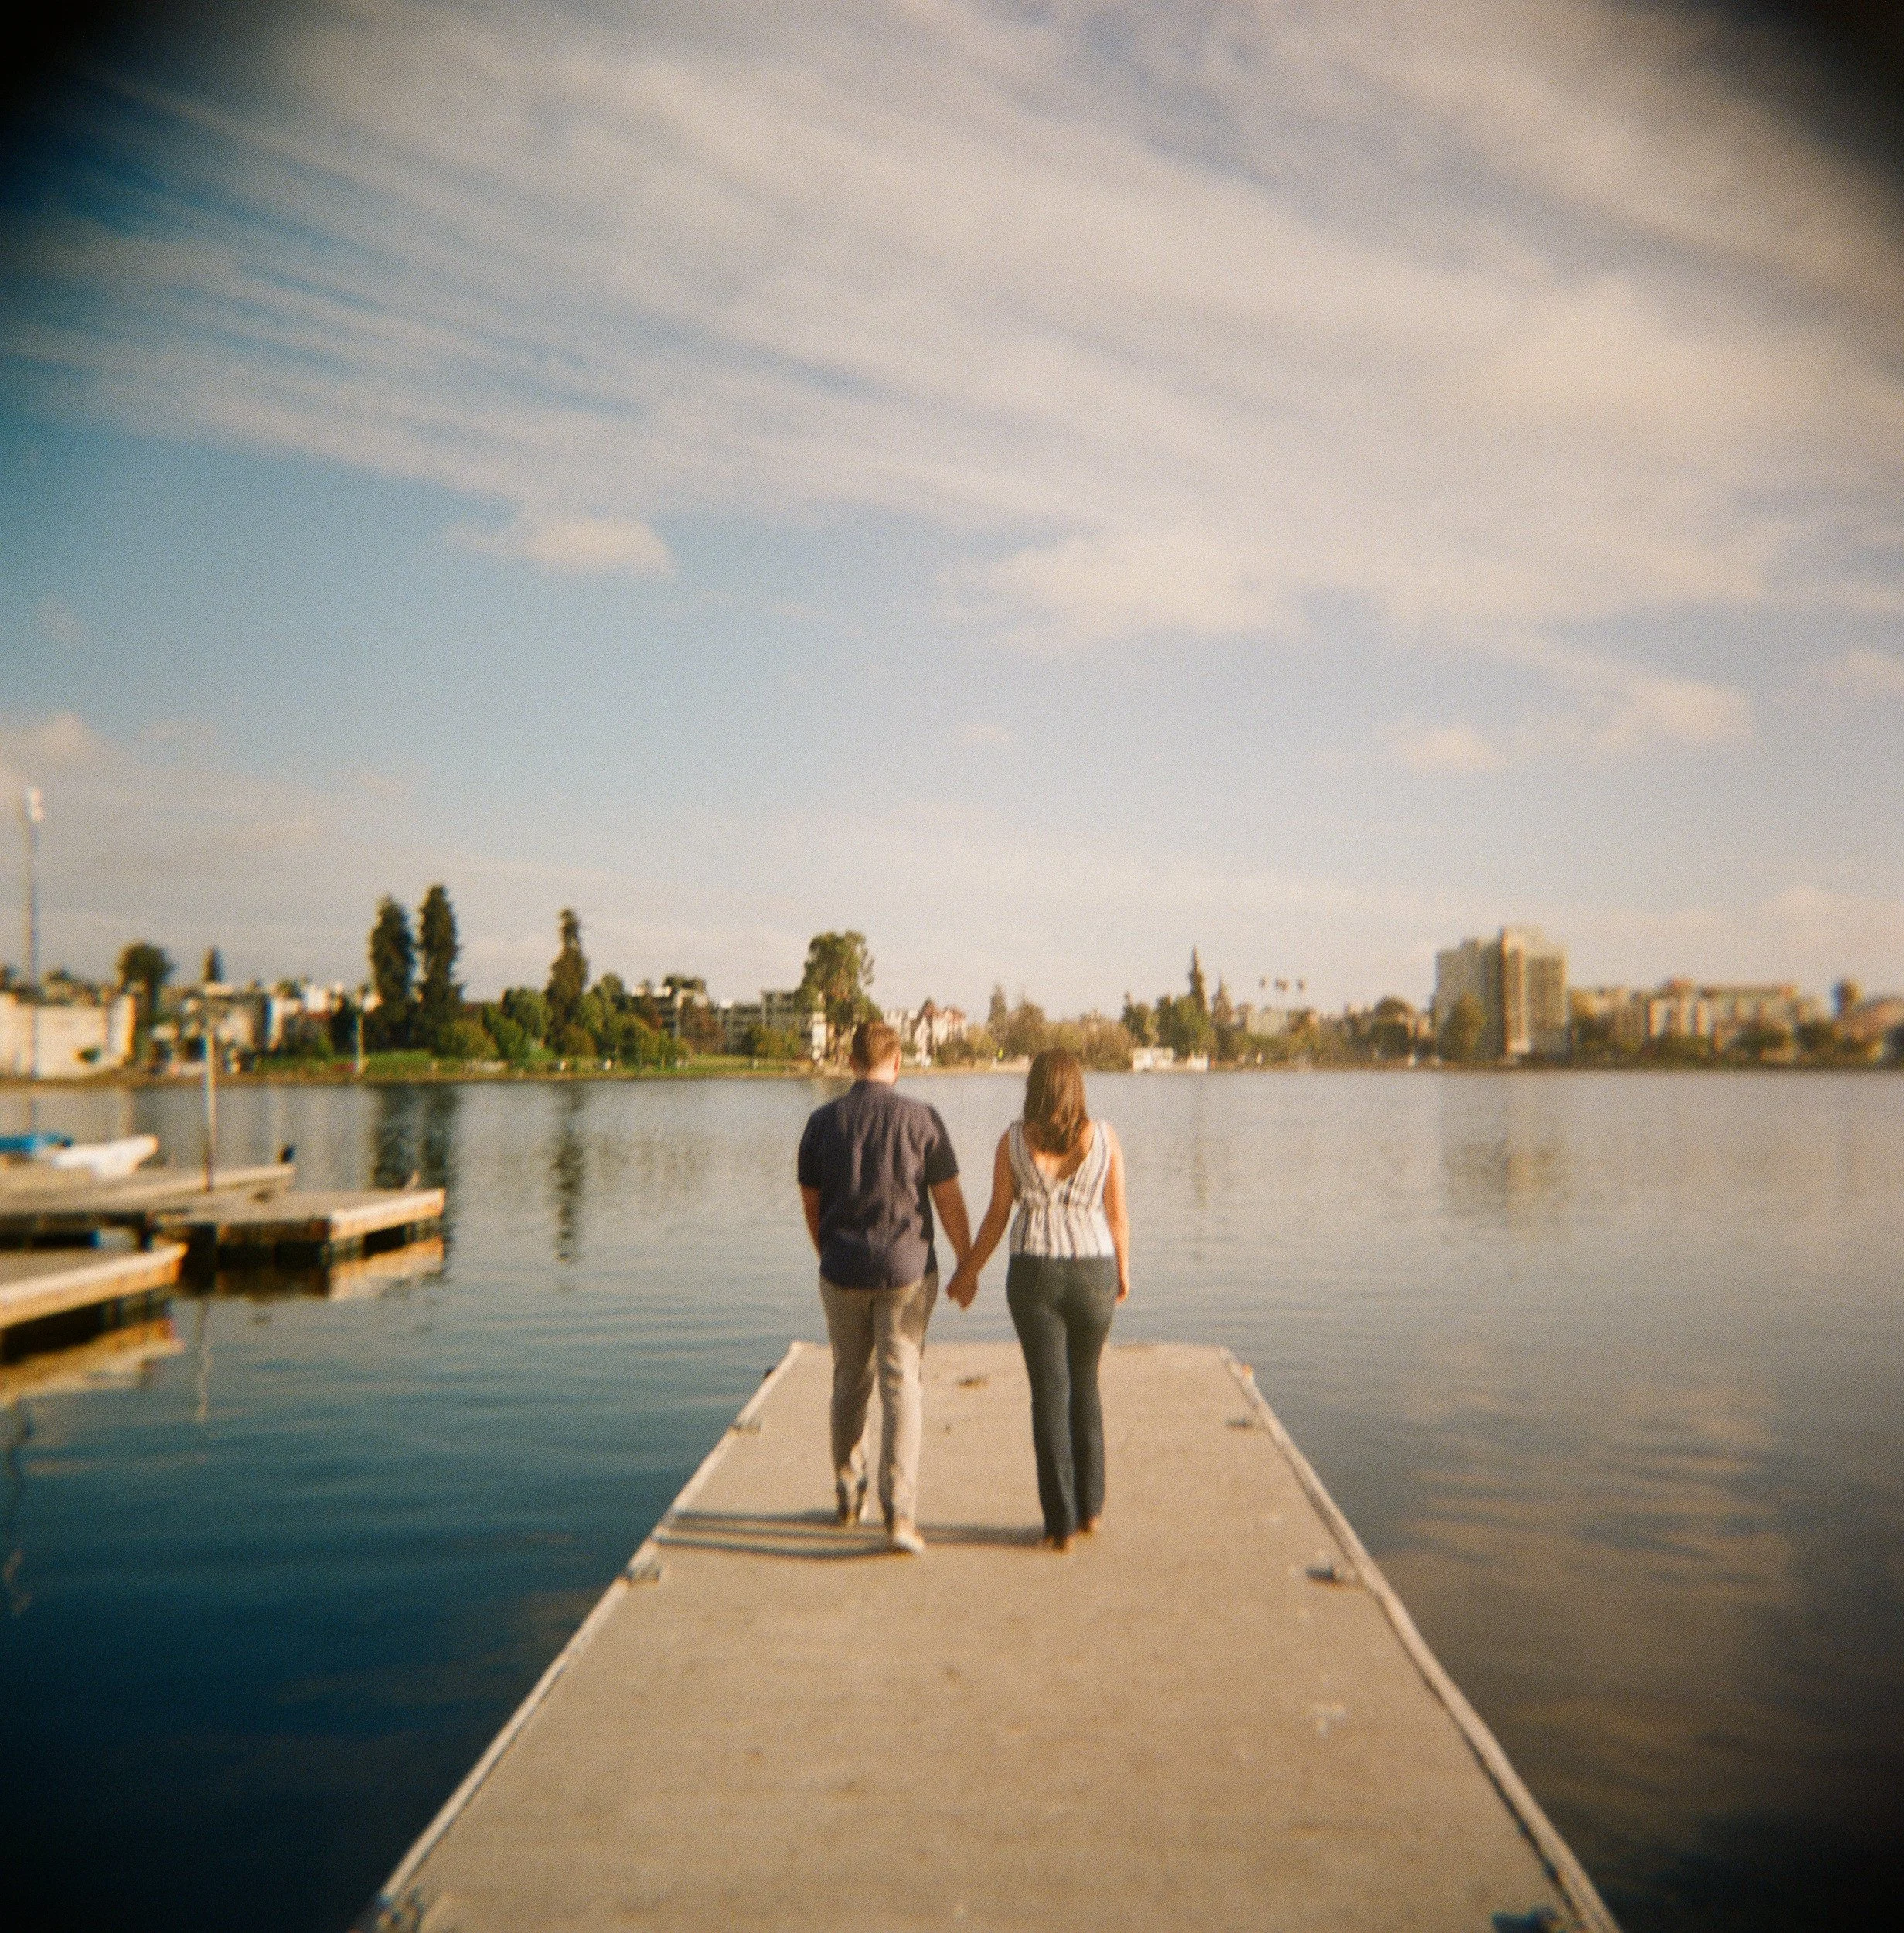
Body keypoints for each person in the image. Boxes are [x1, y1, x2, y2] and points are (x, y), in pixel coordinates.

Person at [798, 1019, 970, 1554]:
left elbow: (812, 1202)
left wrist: (826, 1252)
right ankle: (900, 1516)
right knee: (902, 1388)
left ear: (850, 1063)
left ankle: (850, 1500)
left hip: (841, 1268)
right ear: (897, 1063)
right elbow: (946, 1199)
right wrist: (967, 1263)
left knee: (849, 1382)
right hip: (906, 1273)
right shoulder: (922, 1120)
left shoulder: (822, 1122)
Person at [947, 1049, 1130, 1551]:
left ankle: (1058, 1524)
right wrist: (1124, 1270)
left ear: (1033, 1088)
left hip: (1033, 1273)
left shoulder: (1011, 1141)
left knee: (1049, 1392)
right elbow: (1117, 1217)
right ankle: (1091, 1510)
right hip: (1095, 1269)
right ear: (1077, 1089)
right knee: (1085, 1384)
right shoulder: (1107, 1139)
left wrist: (967, 1272)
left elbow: (995, 1217)